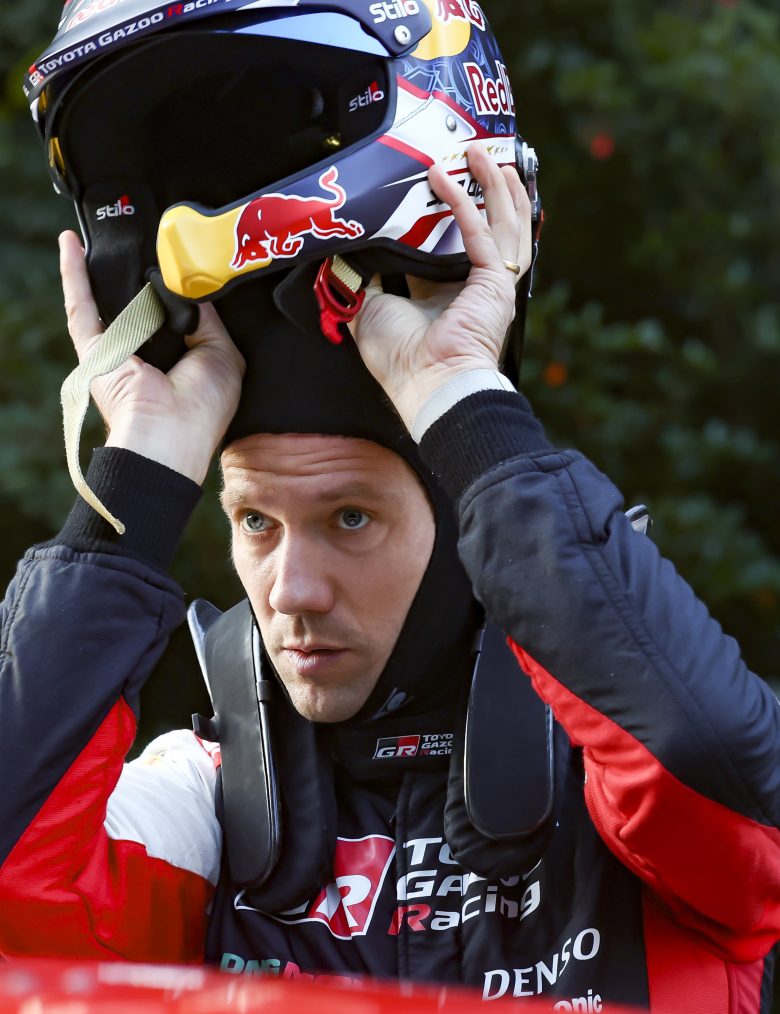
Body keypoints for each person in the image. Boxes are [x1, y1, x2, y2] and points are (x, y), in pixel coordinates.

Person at [2, 3, 779, 1011]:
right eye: (254, 522)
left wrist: (460, 396)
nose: (292, 591)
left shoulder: (614, 779)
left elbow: (717, 766)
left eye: (351, 519)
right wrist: (140, 469)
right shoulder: (200, 800)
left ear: (468, 525)